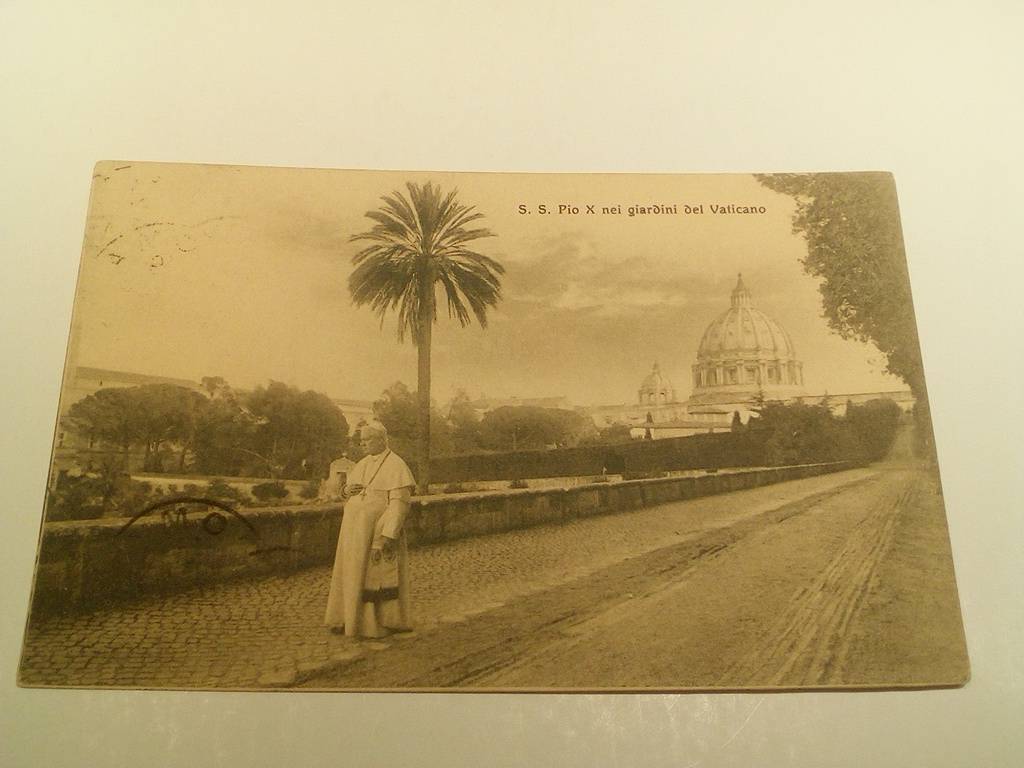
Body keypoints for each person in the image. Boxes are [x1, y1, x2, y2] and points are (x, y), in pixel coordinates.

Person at [324, 422, 415, 638]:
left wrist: (388, 533)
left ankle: (374, 624)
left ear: (382, 440)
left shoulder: (397, 465)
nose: (363, 444)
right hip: (353, 532)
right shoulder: (362, 463)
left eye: (367, 440)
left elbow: (400, 503)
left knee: (373, 576)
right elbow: (346, 491)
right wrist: (347, 490)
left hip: (376, 531)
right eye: (362, 441)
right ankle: (348, 618)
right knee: (351, 573)